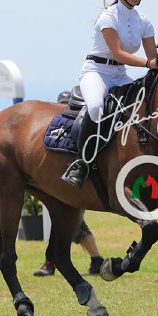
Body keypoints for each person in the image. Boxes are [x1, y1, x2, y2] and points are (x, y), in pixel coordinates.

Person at [61, 0, 158, 187]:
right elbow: (119, 54)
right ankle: (81, 163)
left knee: (146, 105)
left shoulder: (144, 21)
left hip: (120, 75)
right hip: (97, 72)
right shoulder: (108, 17)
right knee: (96, 107)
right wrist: (149, 63)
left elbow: (155, 57)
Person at [33, 91, 104, 276]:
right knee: (76, 227)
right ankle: (96, 260)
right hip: (66, 186)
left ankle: (50, 263)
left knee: (68, 227)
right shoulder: (60, 131)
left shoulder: (79, 129)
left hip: (74, 186)